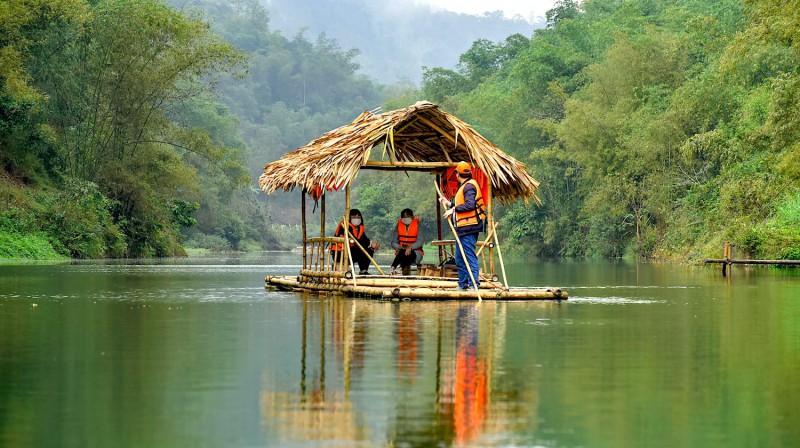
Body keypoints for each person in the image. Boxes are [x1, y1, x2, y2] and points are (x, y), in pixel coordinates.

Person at [439, 161, 485, 290]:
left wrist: (452, 210)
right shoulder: (465, 186)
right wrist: (448, 203)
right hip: (462, 229)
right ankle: (463, 284)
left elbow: (470, 205)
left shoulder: (469, 186)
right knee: (460, 258)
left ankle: (474, 285)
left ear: (458, 174)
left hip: (469, 228)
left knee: (469, 257)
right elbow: (461, 204)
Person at [330, 209, 380, 275]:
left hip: (352, 251)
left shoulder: (359, 228)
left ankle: (363, 271)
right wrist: (370, 244)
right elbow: (355, 241)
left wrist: (372, 244)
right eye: (354, 217)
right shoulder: (345, 226)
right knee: (364, 248)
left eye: (358, 217)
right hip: (341, 252)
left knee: (369, 250)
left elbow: (365, 240)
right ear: (350, 217)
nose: (356, 219)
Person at [390, 208, 424, 276]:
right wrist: (398, 247)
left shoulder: (418, 225)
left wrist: (411, 247)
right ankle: (394, 268)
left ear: (412, 217)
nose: (406, 218)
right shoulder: (398, 225)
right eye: (404, 217)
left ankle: (398, 268)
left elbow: (420, 241)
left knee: (407, 252)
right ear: (401, 218)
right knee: (403, 251)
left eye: (408, 216)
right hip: (401, 252)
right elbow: (393, 242)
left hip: (415, 253)